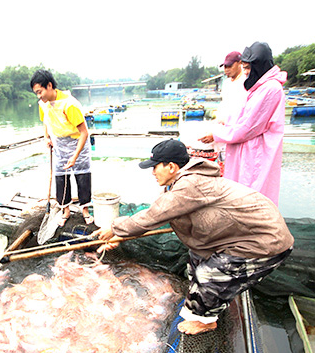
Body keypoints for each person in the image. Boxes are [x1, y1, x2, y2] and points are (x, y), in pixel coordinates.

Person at [93, 139, 294, 335]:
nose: (153, 172)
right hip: (240, 235)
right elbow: (164, 212)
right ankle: (205, 300)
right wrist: (121, 236)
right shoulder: (184, 181)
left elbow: (154, 215)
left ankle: (206, 321)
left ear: (171, 166)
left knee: (209, 274)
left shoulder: (190, 185)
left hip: (265, 243)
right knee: (195, 261)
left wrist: (114, 228)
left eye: (155, 167)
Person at [199, 42, 287, 205]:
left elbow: (248, 128)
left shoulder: (270, 89)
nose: (246, 73)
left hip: (255, 152)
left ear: (258, 66)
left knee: (251, 196)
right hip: (244, 149)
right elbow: (241, 117)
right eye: (245, 68)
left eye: (248, 68)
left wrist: (216, 134)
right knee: (238, 194)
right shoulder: (258, 88)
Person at [30, 69, 93, 226]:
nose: (39, 96)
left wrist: (75, 156)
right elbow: (46, 120)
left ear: (49, 85)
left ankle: (85, 209)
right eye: (36, 93)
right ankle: (65, 210)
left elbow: (84, 132)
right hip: (60, 144)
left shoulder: (69, 104)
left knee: (82, 176)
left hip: (78, 142)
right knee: (61, 177)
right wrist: (47, 137)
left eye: (40, 92)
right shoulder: (43, 104)